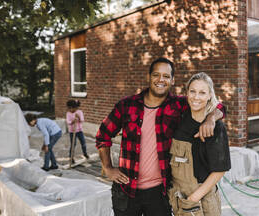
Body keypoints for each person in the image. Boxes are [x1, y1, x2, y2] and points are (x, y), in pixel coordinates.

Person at [95, 57, 225, 216]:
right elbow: (103, 135)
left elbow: (217, 105)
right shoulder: (126, 105)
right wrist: (107, 168)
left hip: (160, 192)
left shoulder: (178, 105)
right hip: (126, 189)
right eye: (156, 75)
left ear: (172, 80)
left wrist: (211, 118)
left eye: (166, 76)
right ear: (148, 77)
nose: (160, 80)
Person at [168, 72, 231, 216]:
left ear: (210, 95)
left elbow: (220, 170)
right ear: (187, 93)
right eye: (193, 91)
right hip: (177, 196)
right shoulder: (180, 117)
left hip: (202, 201)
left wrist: (192, 199)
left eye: (202, 93)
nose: (196, 97)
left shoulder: (216, 128)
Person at [66, 99, 89, 163]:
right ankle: (71, 157)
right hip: (72, 131)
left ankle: (85, 153)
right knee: (73, 144)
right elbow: (68, 121)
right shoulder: (68, 113)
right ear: (69, 108)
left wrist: (79, 117)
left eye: (74, 108)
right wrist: (72, 121)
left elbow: (82, 120)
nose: (72, 110)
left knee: (83, 142)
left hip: (79, 131)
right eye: (70, 109)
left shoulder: (79, 112)